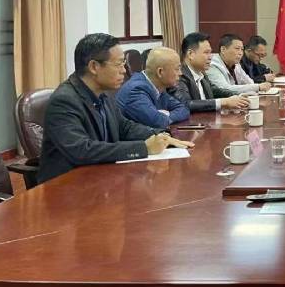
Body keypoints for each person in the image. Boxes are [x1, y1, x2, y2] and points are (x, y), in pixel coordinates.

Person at [38, 34, 193, 183]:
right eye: (119, 64)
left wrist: (160, 136)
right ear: (94, 67)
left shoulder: (102, 94)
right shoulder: (64, 100)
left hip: (101, 178)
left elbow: (125, 127)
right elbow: (82, 150)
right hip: (67, 187)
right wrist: (144, 147)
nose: (124, 70)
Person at [172, 32, 249, 113]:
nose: (210, 57)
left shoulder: (202, 74)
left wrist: (238, 96)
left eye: (210, 53)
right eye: (206, 52)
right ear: (191, 54)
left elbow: (215, 90)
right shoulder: (179, 76)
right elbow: (185, 104)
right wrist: (224, 102)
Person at [116, 47, 190, 129]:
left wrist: (167, 115)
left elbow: (184, 109)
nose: (180, 73)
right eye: (177, 69)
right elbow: (158, 122)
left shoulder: (158, 87)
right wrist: (164, 117)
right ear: (160, 72)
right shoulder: (136, 91)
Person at [207, 33, 272, 97]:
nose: (240, 53)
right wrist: (258, 87)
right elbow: (225, 88)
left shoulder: (236, 64)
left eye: (242, 49)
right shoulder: (212, 65)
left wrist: (258, 87)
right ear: (223, 49)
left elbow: (249, 82)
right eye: (237, 49)